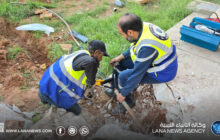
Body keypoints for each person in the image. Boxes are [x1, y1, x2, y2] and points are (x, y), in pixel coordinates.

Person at [105, 13, 178, 114]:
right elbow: (135, 46)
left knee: (123, 76)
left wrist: (123, 93)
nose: (123, 36)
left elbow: (137, 74)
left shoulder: (147, 47)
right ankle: (115, 89)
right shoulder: (142, 28)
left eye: (122, 33)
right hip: (154, 60)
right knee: (119, 64)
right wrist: (120, 57)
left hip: (162, 72)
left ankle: (127, 101)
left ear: (129, 32)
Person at [39, 40, 109, 115]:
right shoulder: (91, 62)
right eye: (101, 55)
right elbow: (90, 80)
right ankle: (52, 103)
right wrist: (90, 86)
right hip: (53, 93)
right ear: (96, 52)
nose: (101, 59)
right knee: (78, 111)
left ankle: (44, 100)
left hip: (44, 85)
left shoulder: (82, 52)